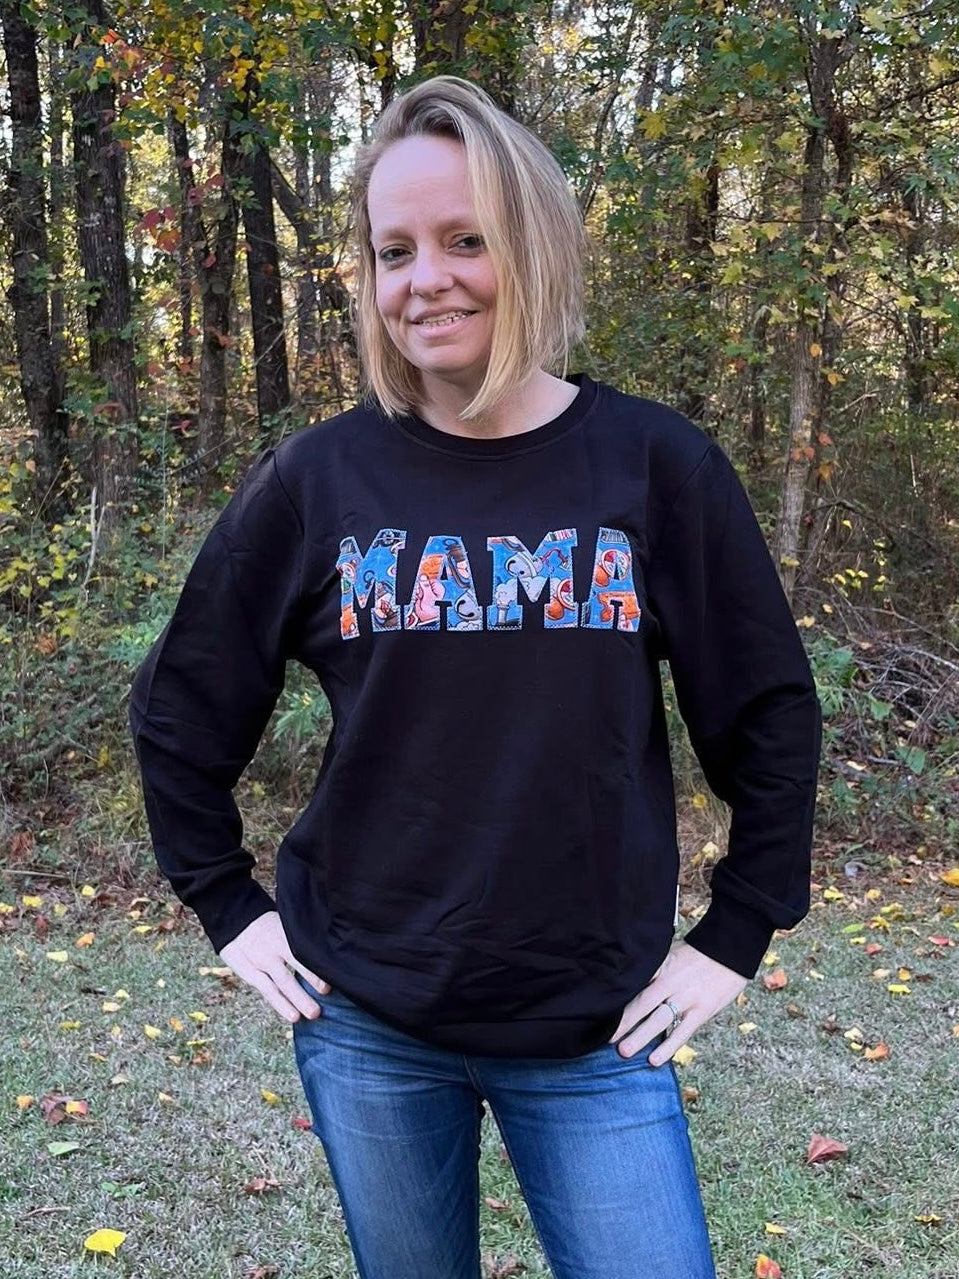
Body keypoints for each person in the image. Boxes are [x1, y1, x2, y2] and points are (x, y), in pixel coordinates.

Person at [130, 75, 821, 1279]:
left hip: (594, 1026)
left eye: (465, 240)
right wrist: (226, 906)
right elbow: (182, 705)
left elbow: (764, 713)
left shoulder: (654, 467)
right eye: (392, 250)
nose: (424, 280)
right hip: (365, 1018)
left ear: (533, 246)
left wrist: (735, 930)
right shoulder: (317, 481)